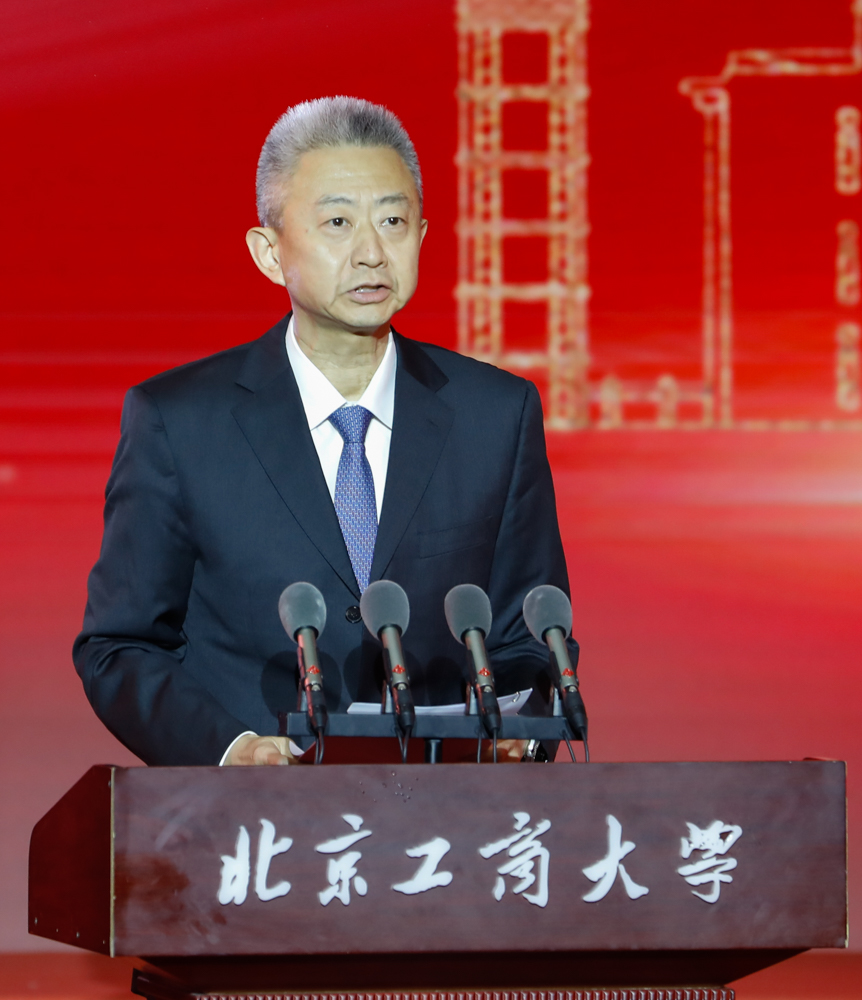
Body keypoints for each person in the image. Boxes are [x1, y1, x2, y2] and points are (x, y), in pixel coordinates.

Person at [74, 96, 576, 766]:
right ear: (269, 252)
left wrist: (522, 731)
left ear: (422, 236)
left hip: (443, 810)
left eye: (393, 221)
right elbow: (120, 646)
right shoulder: (179, 422)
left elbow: (530, 633)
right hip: (253, 816)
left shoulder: (496, 414)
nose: (371, 253)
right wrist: (232, 751)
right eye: (338, 222)